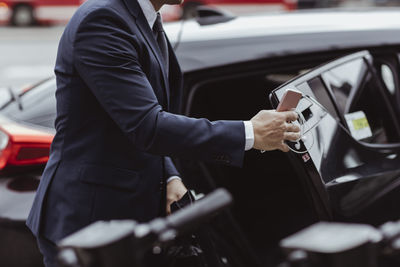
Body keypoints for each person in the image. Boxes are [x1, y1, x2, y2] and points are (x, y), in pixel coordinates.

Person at [26, 0, 301, 266]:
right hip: (88, 224)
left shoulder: (144, 17)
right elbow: (148, 125)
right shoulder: (102, 21)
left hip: (127, 221)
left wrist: (169, 175)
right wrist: (249, 133)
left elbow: (138, 120)